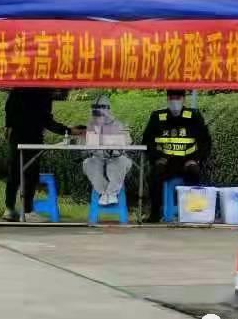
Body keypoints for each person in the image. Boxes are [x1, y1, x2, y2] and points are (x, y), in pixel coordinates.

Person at [4, 88, 79, 222]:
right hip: (32, 138)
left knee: (14, 173)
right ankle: (26, 211)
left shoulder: (17, 89)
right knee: (30, 174)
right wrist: (68, 131)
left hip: (17, 136)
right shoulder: (44, 93)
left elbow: (9, 111)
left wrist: (8, 127)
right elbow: (47, 121)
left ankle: (10, 209)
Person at [142, 89, 212, 222]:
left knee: (195, 173)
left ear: (183, 99)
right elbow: (147, 141)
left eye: (178, 98)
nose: (175, 101)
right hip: (165, 161)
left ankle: (193, 212)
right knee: (154, 176)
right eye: (172, 98)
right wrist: (157, 158)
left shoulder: (193, 116)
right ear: (167, 99)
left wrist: (196, 159)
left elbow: (205, 141)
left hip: (187, 161)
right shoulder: (158, 116)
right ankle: (155, 213)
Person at [81, 95, 132, 206]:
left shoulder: (118, 125)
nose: (98, 115)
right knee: (88, 163)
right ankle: (105, 193)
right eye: (95, 111)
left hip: (117, 158)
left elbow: (127, 143)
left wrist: (110, 141)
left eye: (101, 110)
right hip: (98, 158)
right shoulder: (90, 125)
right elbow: (85, 147)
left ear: (108, 110)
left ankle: (111, 193)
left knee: (118, 163)